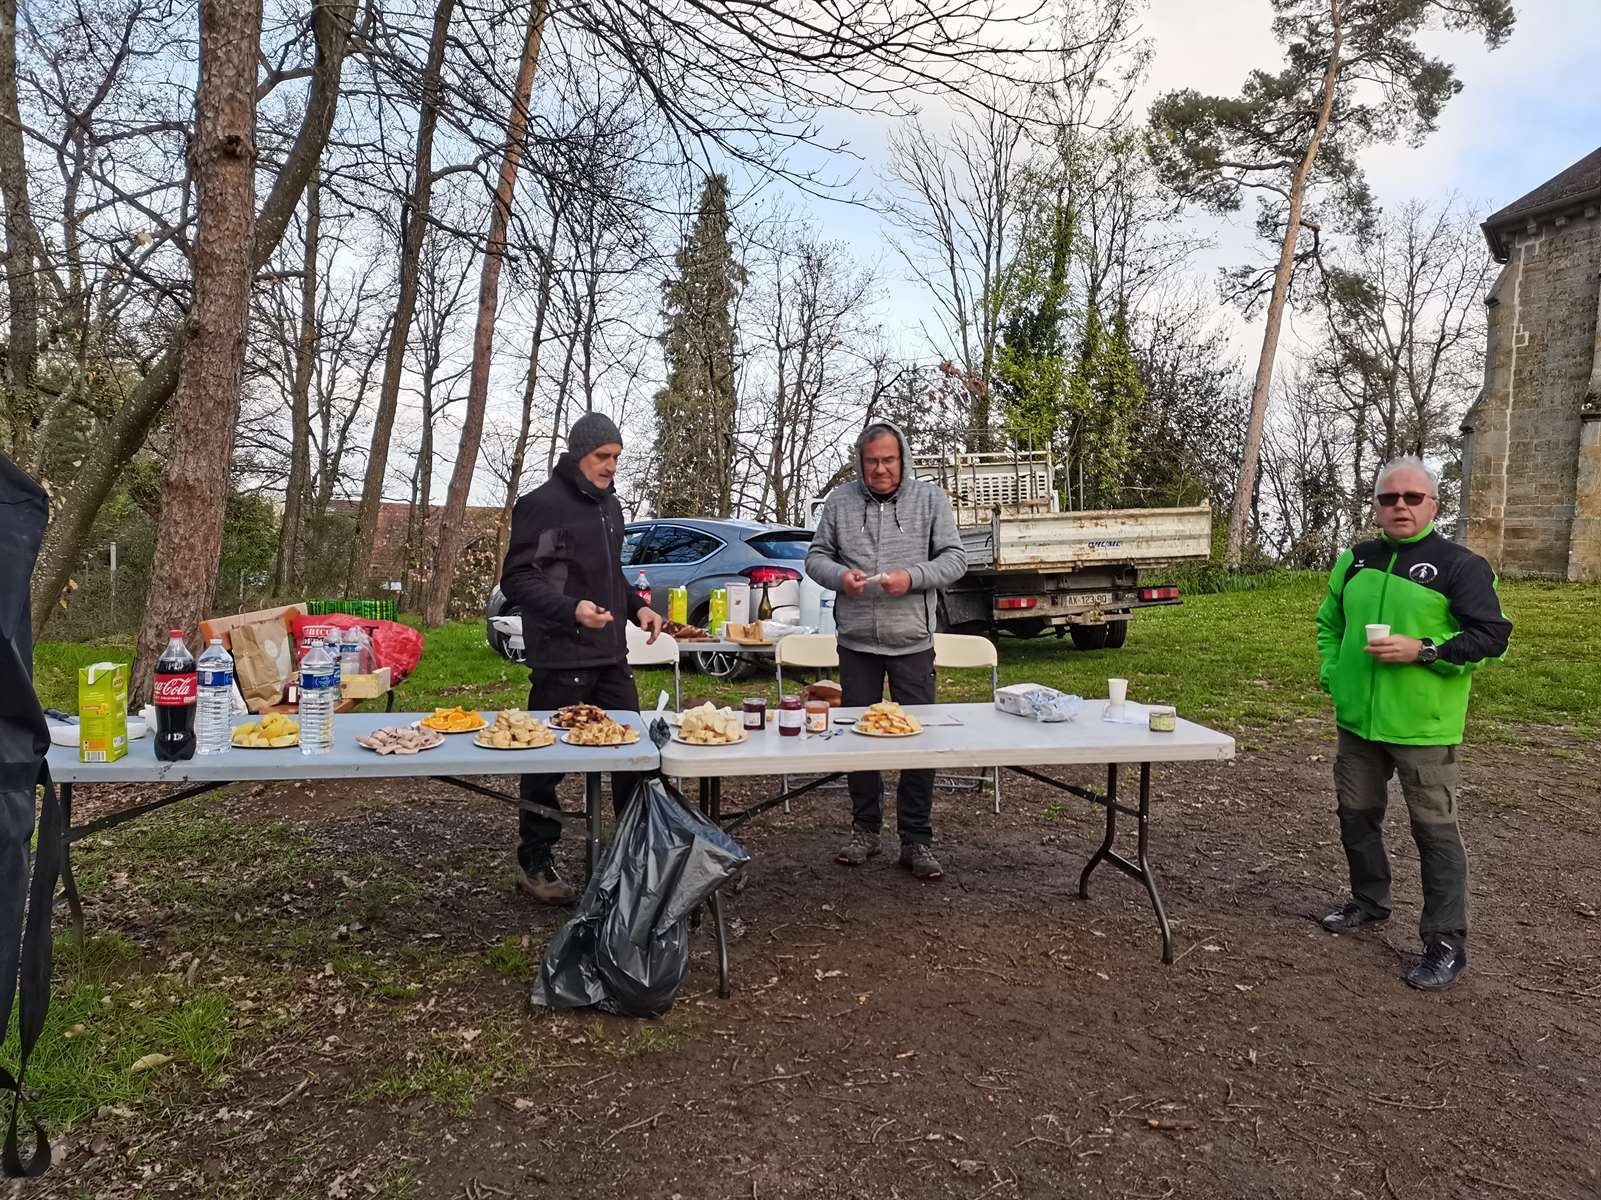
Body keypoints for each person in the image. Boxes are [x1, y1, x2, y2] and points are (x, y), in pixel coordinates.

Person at [1314, 455, 1512, 990]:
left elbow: (1491, 636)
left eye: (1412, 498)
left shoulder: (1459, 565)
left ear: (1433, 505)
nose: (1400, 506)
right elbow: (1330, 624)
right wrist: (1335, 675)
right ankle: (1368, 903)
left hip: (1424, 727)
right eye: (1388, 498)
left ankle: (1445, 943)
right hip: (1358, 724)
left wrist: (1424, 650)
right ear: (1376, 506)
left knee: (1435, 834)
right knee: (1356, 819)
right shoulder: (1356, 559)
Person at [500, 412, 664, 903]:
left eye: (616, 457)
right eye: (602, 457)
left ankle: (632, 855)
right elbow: (519, 580)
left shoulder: (609, 506)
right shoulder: (541, 505)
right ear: (577, 455)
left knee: (636, 756)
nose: (611, 466)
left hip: (611, 657)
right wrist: (572, 610)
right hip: (560, 657)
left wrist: (637, 610)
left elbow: (609, 577)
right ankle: (534, 861)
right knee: (547, 764)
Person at [805, 421, 967, 880]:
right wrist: (840, 578)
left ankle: (916, 839)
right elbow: (815, 556)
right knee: (858, 737)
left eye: (888, 460)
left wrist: (911, 578)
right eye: (872, 460)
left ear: (903, 459)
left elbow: (956, 559)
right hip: (856, 642)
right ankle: (865, 830)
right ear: (861, 461)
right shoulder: (839, 502)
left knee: (921, 740)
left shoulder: (930, 500)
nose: (880, 468)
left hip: (912, 641)